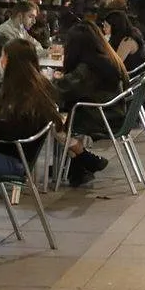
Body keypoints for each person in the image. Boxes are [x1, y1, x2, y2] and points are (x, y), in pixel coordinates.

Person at [0, 39, 109, 187]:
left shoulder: (10, 96)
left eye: (3, 56)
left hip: (8, 159)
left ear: (8, 61)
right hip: (19, 157)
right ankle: (82, 159)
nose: (0, 60)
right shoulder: (41, 89)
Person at [53, 21, 128, 185]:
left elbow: (62, 90)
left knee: (52, 121)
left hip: (99, 117)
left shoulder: (88, 68)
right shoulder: (107, 58)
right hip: (113, 112)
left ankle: (85, 157)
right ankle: (80, 168)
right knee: (63, 118)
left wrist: (52, 79)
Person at [0, 1, 43, 80]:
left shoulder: (21, 29)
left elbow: (37, 46)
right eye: (31, 17)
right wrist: (45, 52)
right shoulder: (5, 33)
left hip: (6, 76)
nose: (34, 21)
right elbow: (25, 55)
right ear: (20, 16)